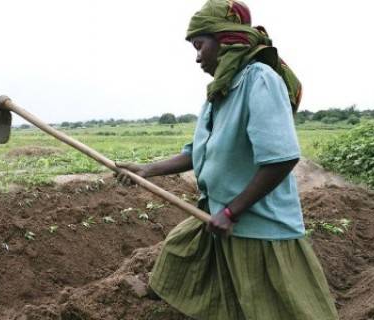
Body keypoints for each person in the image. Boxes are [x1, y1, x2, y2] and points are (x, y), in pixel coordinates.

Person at [115, 0, 339, 319]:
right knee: (179, 251)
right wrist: (146, 170)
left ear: (226, 39)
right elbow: (197, 152)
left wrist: (233, 212)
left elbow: (281, 159)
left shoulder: (258, 79)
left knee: (275, 308)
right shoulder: (220, 91)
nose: (196, 57)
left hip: (258, 225)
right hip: (217, 214)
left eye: (199, 45)